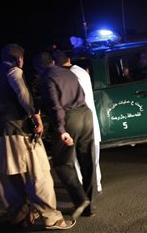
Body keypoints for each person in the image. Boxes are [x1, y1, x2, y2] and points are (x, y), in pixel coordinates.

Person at [0, 44, 75, 230]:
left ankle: (20, 217)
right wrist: (36, 116)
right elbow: (22, 94)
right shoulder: (14, 71)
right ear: (19, 59)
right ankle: (51, 218)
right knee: (38, 175)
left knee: (8, 179)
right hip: (15, 132)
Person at [34, 51, 96, 219]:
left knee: (61, 163)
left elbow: (55, 106)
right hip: (86, 114)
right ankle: (89, 206)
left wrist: (61, 130)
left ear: (38, 69)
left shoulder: (47, 79)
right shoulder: (67, 72)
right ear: (53, 61)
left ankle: (80, 200)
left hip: (70, 119)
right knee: (87, 160)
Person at [51, 49, 102, 194]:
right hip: (89, 119)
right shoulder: (81, 71)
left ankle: (83, 191)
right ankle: (96, 185)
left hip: (76, 119)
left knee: (76, 159)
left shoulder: (67, 75)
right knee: (92, 158)